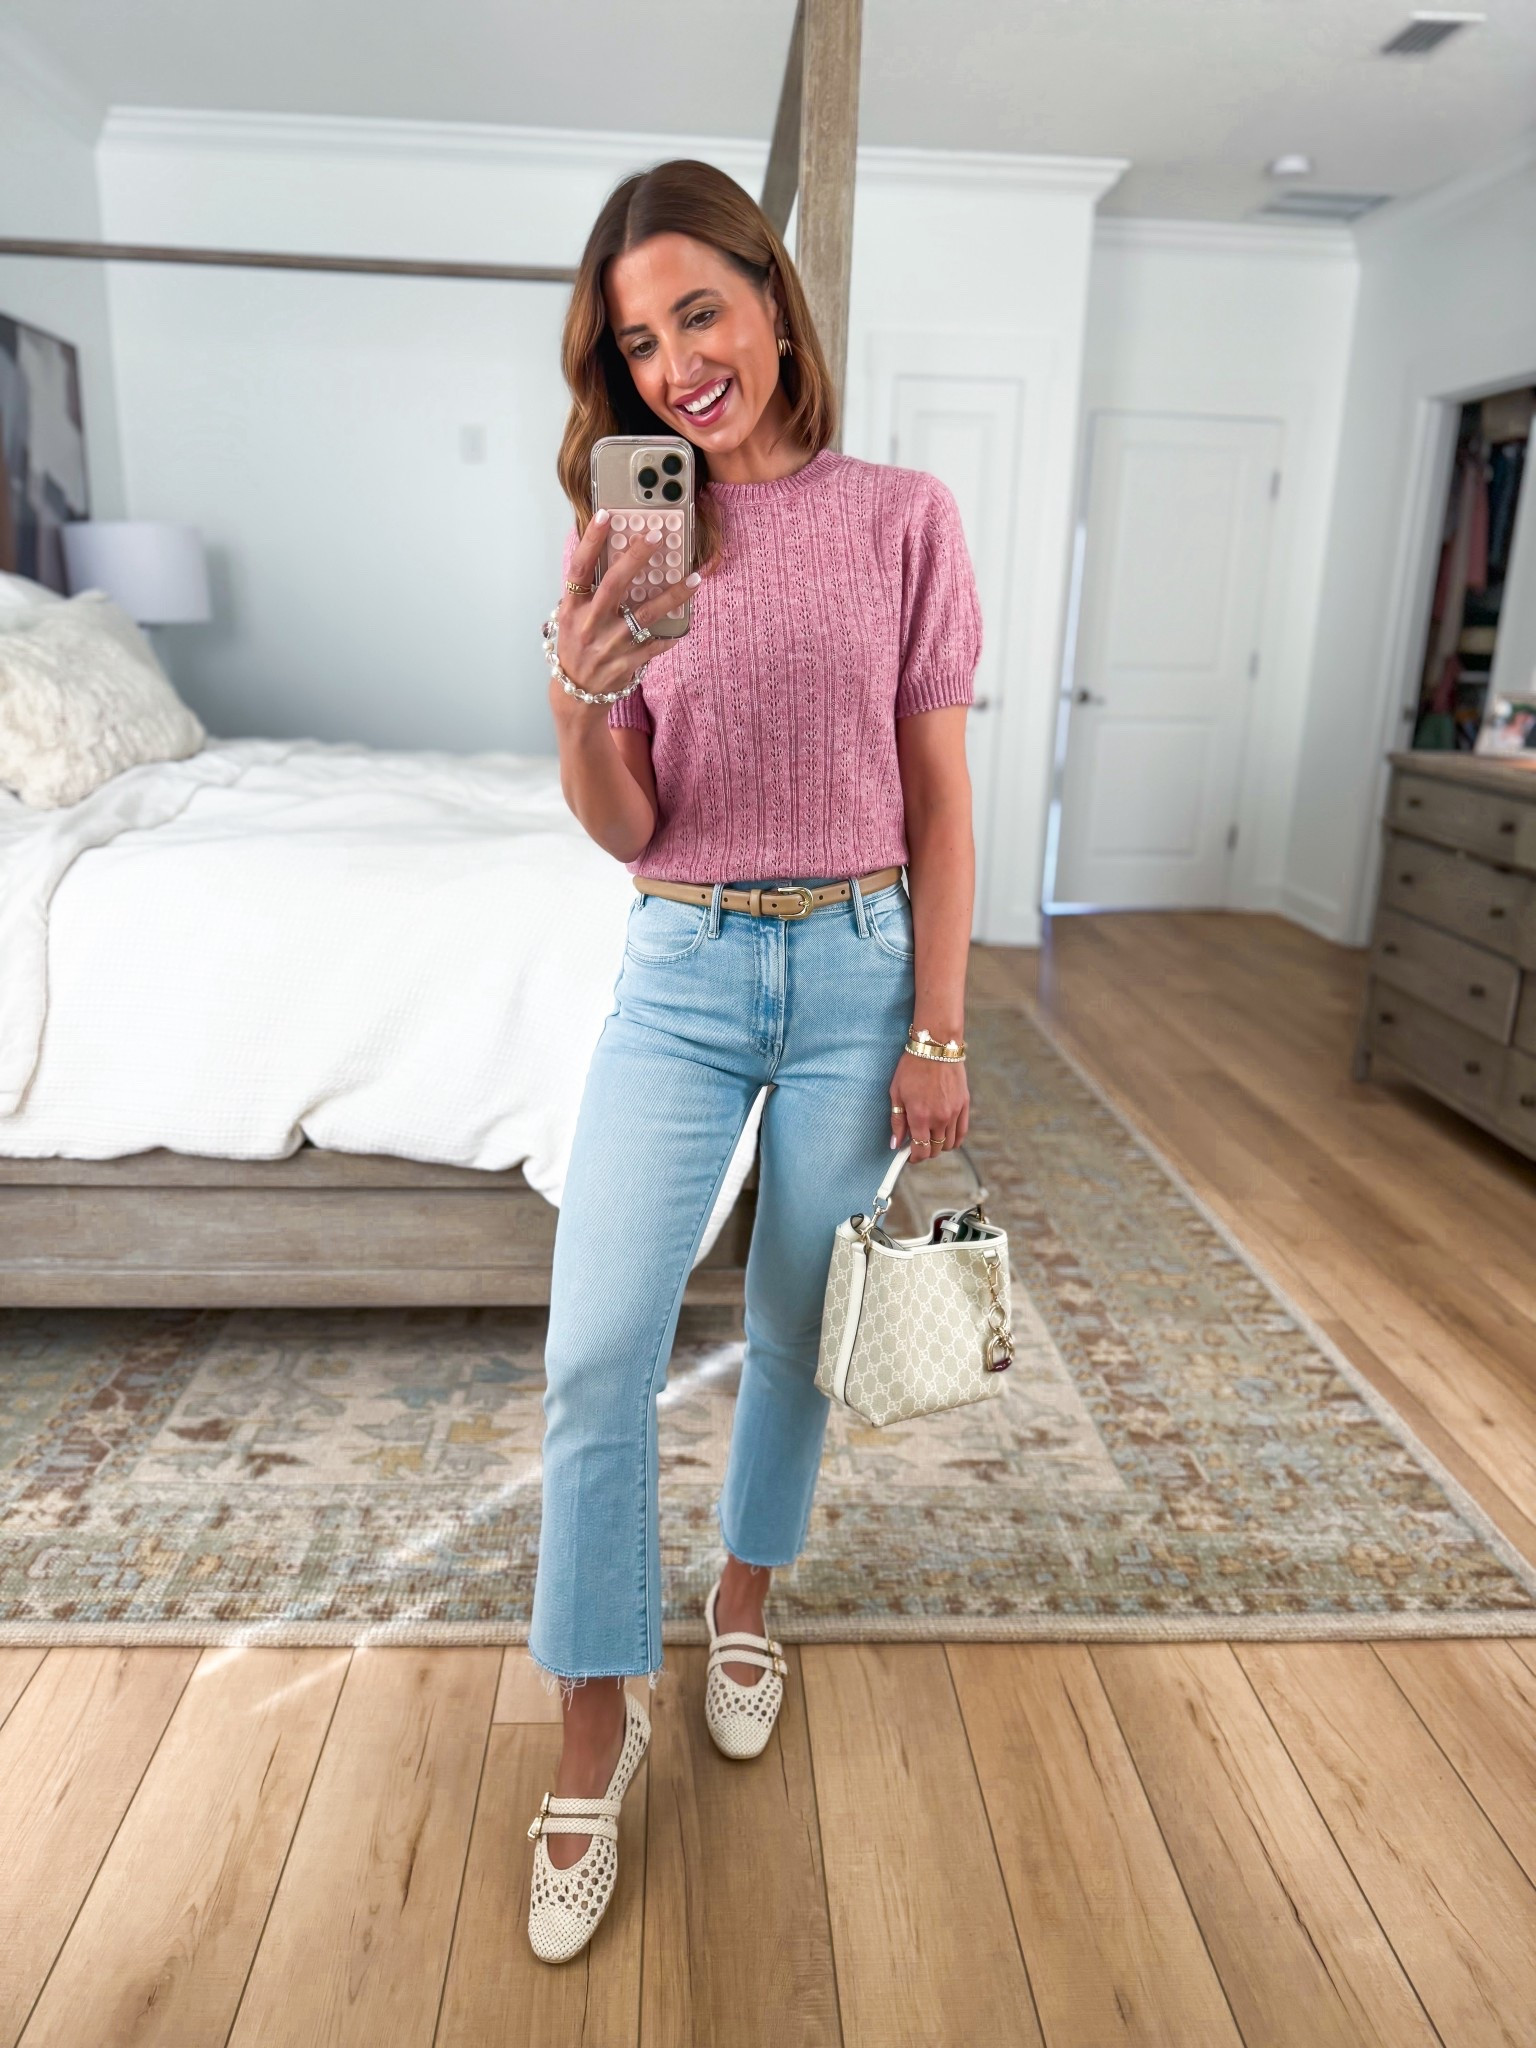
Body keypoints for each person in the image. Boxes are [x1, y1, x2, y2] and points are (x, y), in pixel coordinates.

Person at [524, 156, 982, 1964]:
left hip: (866, 963)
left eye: (697, 313)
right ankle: (590, 1711)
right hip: (686, 965)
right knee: (595, 1354)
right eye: (636, 344)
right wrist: (578, 684)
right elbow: (626, 821)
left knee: (797, 1326)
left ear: (774, 304)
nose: (673, 369)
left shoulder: (903, 516)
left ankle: (745, 1600)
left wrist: (942, 1027)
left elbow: (941, 801)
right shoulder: (636, 528)